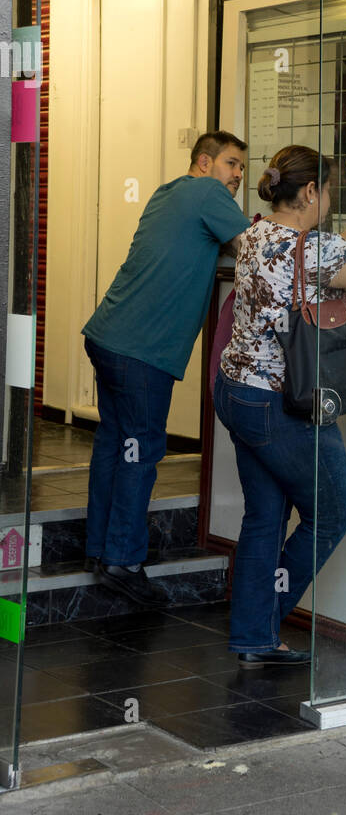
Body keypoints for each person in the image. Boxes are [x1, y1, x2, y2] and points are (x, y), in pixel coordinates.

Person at [214, 145, 346, 666]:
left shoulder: (255, 232)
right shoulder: (313, 252)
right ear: (311, 192)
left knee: (265, 517)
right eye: (329, 191)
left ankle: (252, 638)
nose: (331, 201)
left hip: (235, 391)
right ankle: (265, 619)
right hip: (279, 404)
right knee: (333, 514)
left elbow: (305, 251)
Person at [81, 131, 251, 606]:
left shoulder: (168, 191)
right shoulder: (207, 193)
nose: (238, 175)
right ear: (204, 162)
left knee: (115, 442)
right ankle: (124, 561)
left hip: (108, 335)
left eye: (241, 167)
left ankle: (99, 548)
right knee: (142, 449)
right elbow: (253, 250)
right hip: (143, 352)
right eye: (232, 164)